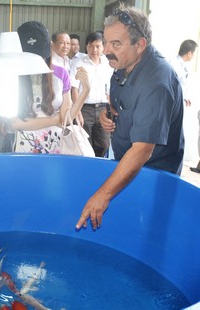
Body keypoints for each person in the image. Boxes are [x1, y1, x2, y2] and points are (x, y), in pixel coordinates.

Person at [76, 5, 184, 231]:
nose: (106, 50)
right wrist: (109, 114)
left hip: (154, 171)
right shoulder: (122, 64)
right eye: (106, 42)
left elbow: (143, 150)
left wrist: (102, 196)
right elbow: (117, 102)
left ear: (140, 45)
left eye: (115, 44)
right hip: (125, 161)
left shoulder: (156, 82)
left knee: (147, 229)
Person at [7, 21, 90, 154]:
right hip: (25, 145)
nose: (36, 61)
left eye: (40, 55)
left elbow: (67, 118)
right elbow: (13, 123)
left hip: (56, 143)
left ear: (49, 48)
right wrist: (55, 119)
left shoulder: (61, 74)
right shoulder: (12, 76)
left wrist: (85, 90)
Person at [70, 31, 114, 157]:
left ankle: (97, 167)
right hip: (84, 109)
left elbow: (110, 87)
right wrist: (77, 111)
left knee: (104, 144)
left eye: (98, 46)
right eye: (91, 46)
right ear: (86, 47)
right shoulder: (78, 63)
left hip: (103, 109)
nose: (94, 50)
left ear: (103, 47)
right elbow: (74, 88)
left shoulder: (108, 64)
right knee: (84, 145)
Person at [168, 39, 197, 107]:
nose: (193, 56)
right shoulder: (175, 64)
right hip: (174, 103)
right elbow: (171, 86)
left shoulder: (181, 64)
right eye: (193, 53)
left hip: (179, 102)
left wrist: (184, 98)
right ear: (189, 53)